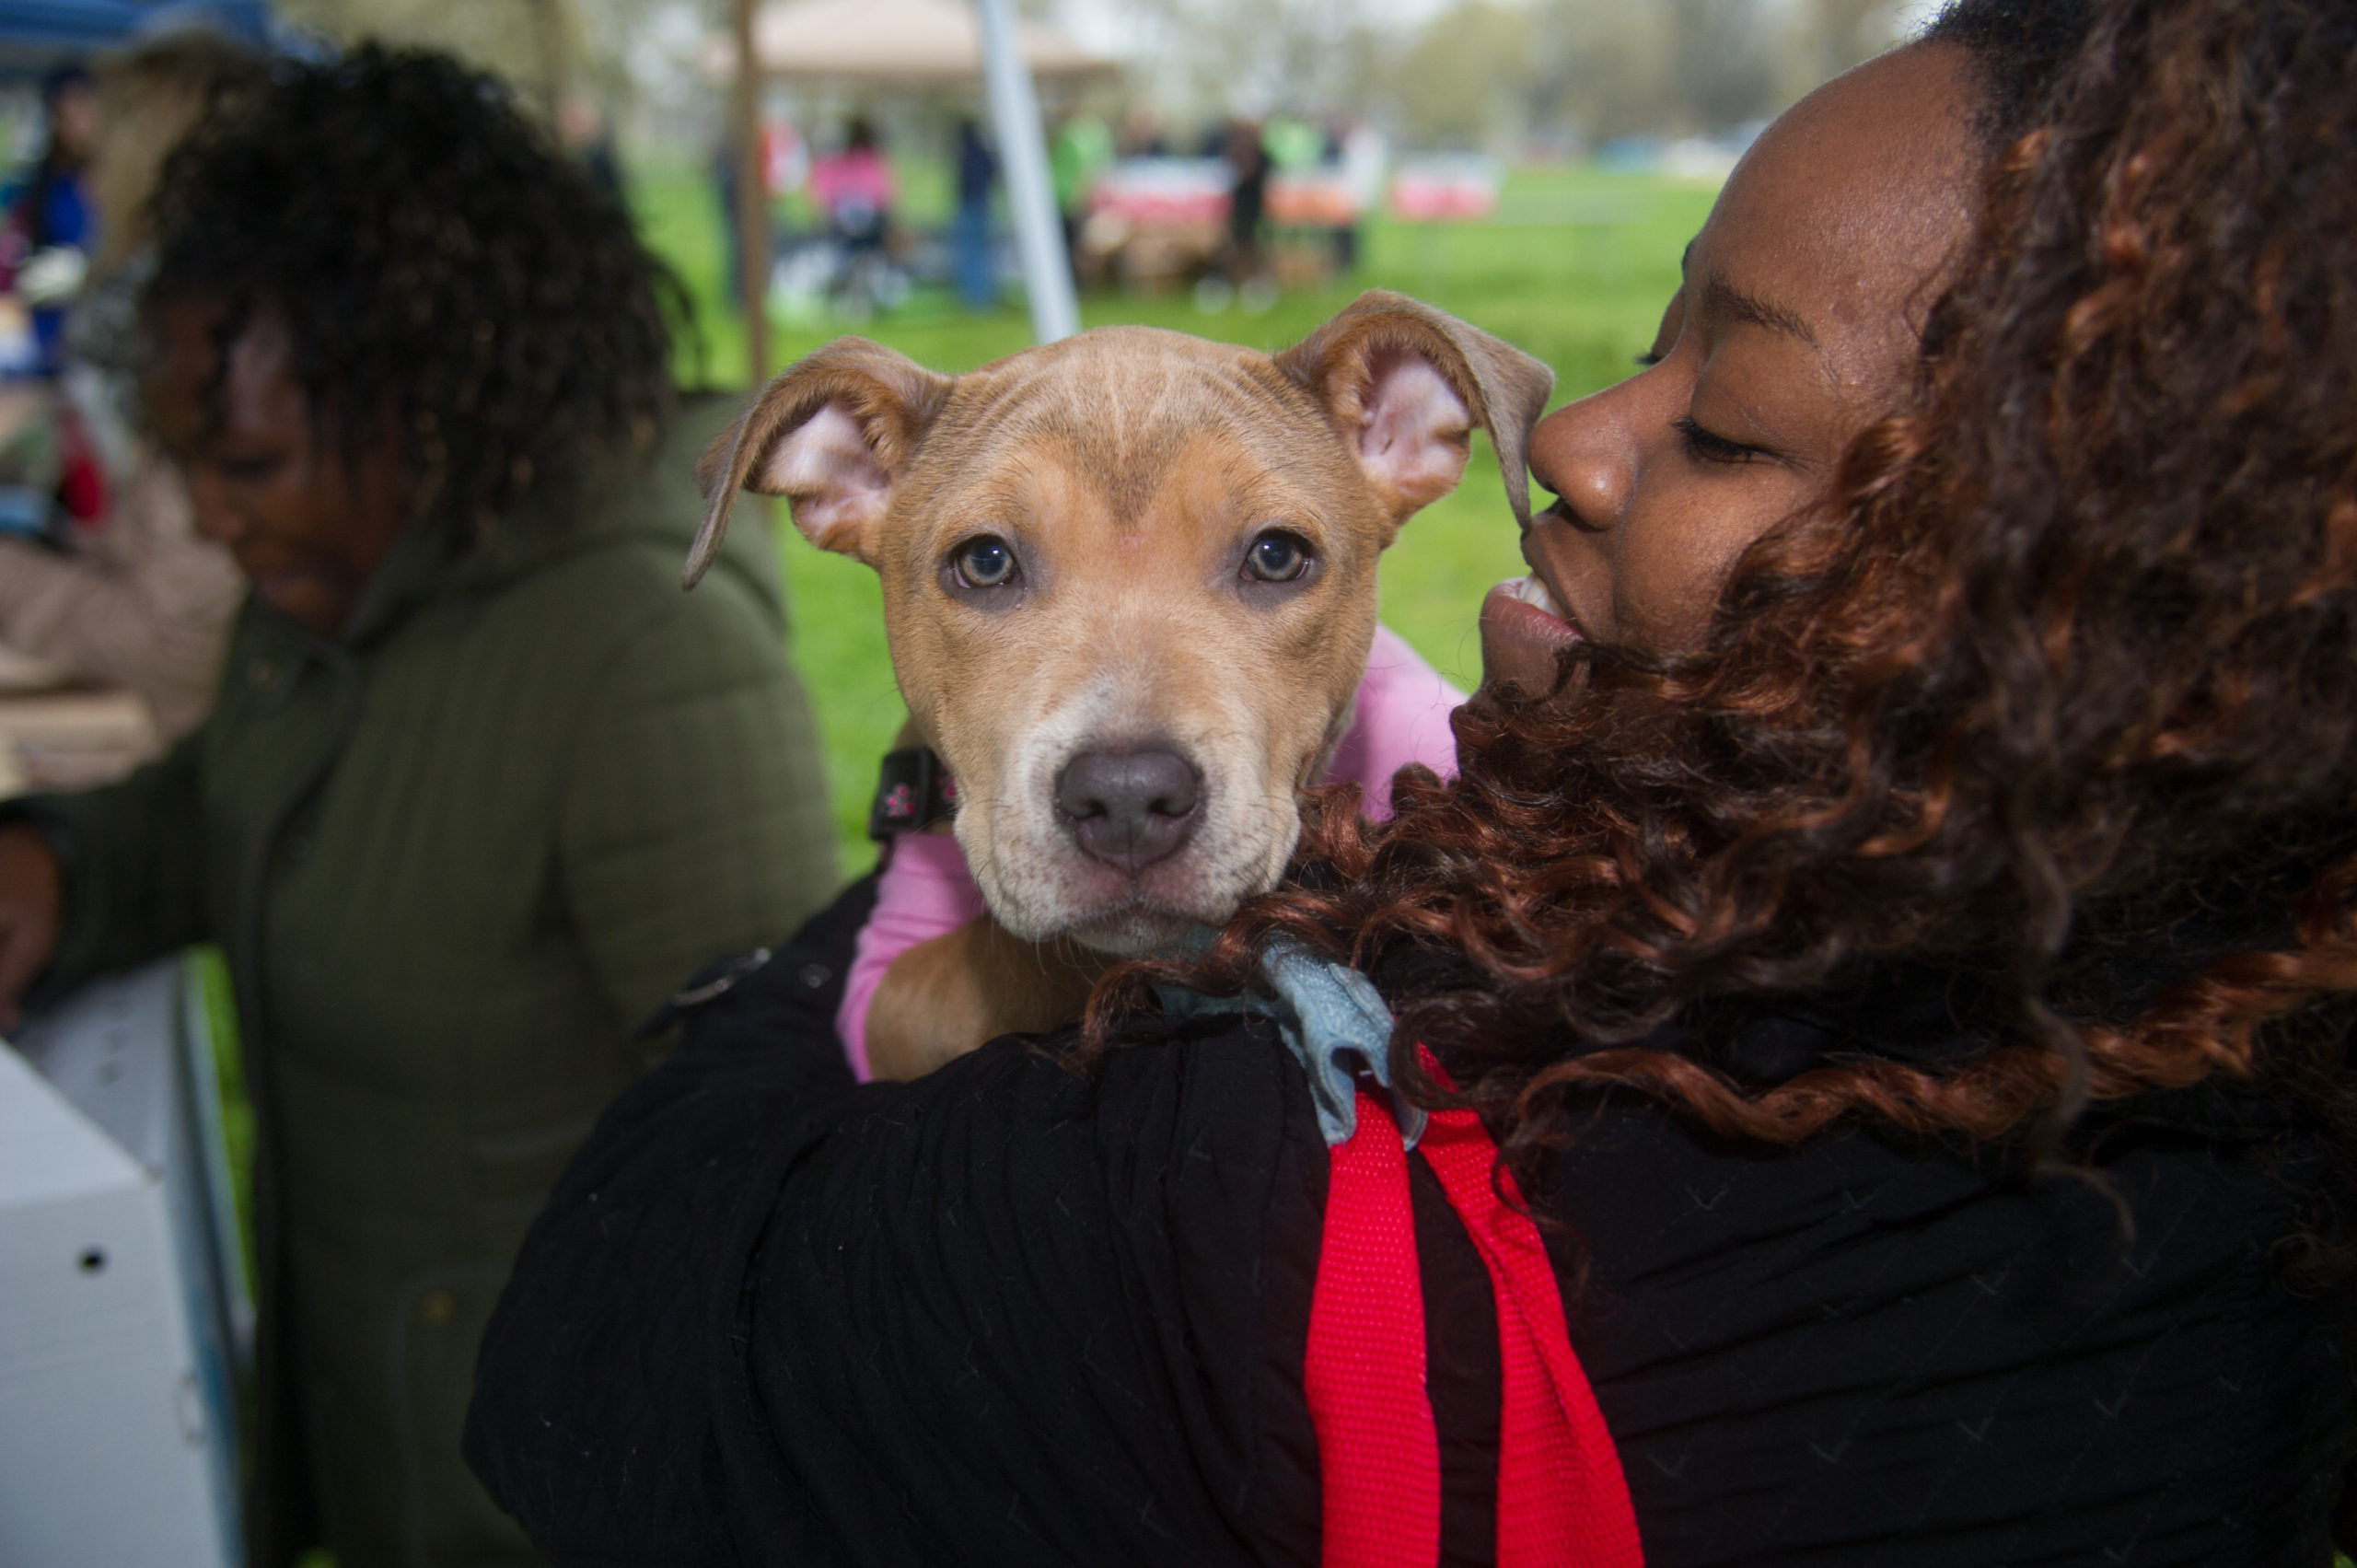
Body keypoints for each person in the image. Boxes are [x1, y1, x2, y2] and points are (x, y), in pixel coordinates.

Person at [468, 0, 2357, 1561]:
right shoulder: (2237, 1102)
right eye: (987, 563)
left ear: (2041, 581)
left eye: (1717, 421)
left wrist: (898, 867)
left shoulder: (1240, 1160)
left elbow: (585, 1359)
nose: (1575, 446)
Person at [0, 47, 839, 1568]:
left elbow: (783, 1134)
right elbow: (238, 803)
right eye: (191, 463)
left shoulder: (643, 652)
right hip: (393, 1443)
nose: (206, 514)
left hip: (558, 1499)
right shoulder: (332, 582)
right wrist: (57, 868)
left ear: (433, 403)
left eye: (246, 462)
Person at [0, 31, 264, 744]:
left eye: (100, 155)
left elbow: (181, 642)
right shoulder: (196, 334)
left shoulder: (203, 351)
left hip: (207, 769)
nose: (86, 184)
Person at [1, 64, 99, 376]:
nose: (75, 125)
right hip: (49, 330)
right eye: (64, 114)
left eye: (82, 110)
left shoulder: (111, 176)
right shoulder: (41, 184)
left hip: (99, 318)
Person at [951, 117, 997, 311]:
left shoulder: (965, 153)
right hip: (982, 204)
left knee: (972, 254)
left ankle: (975, 297)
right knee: (983, 253)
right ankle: (982, 296)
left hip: (971, 205)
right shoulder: (982, 152)